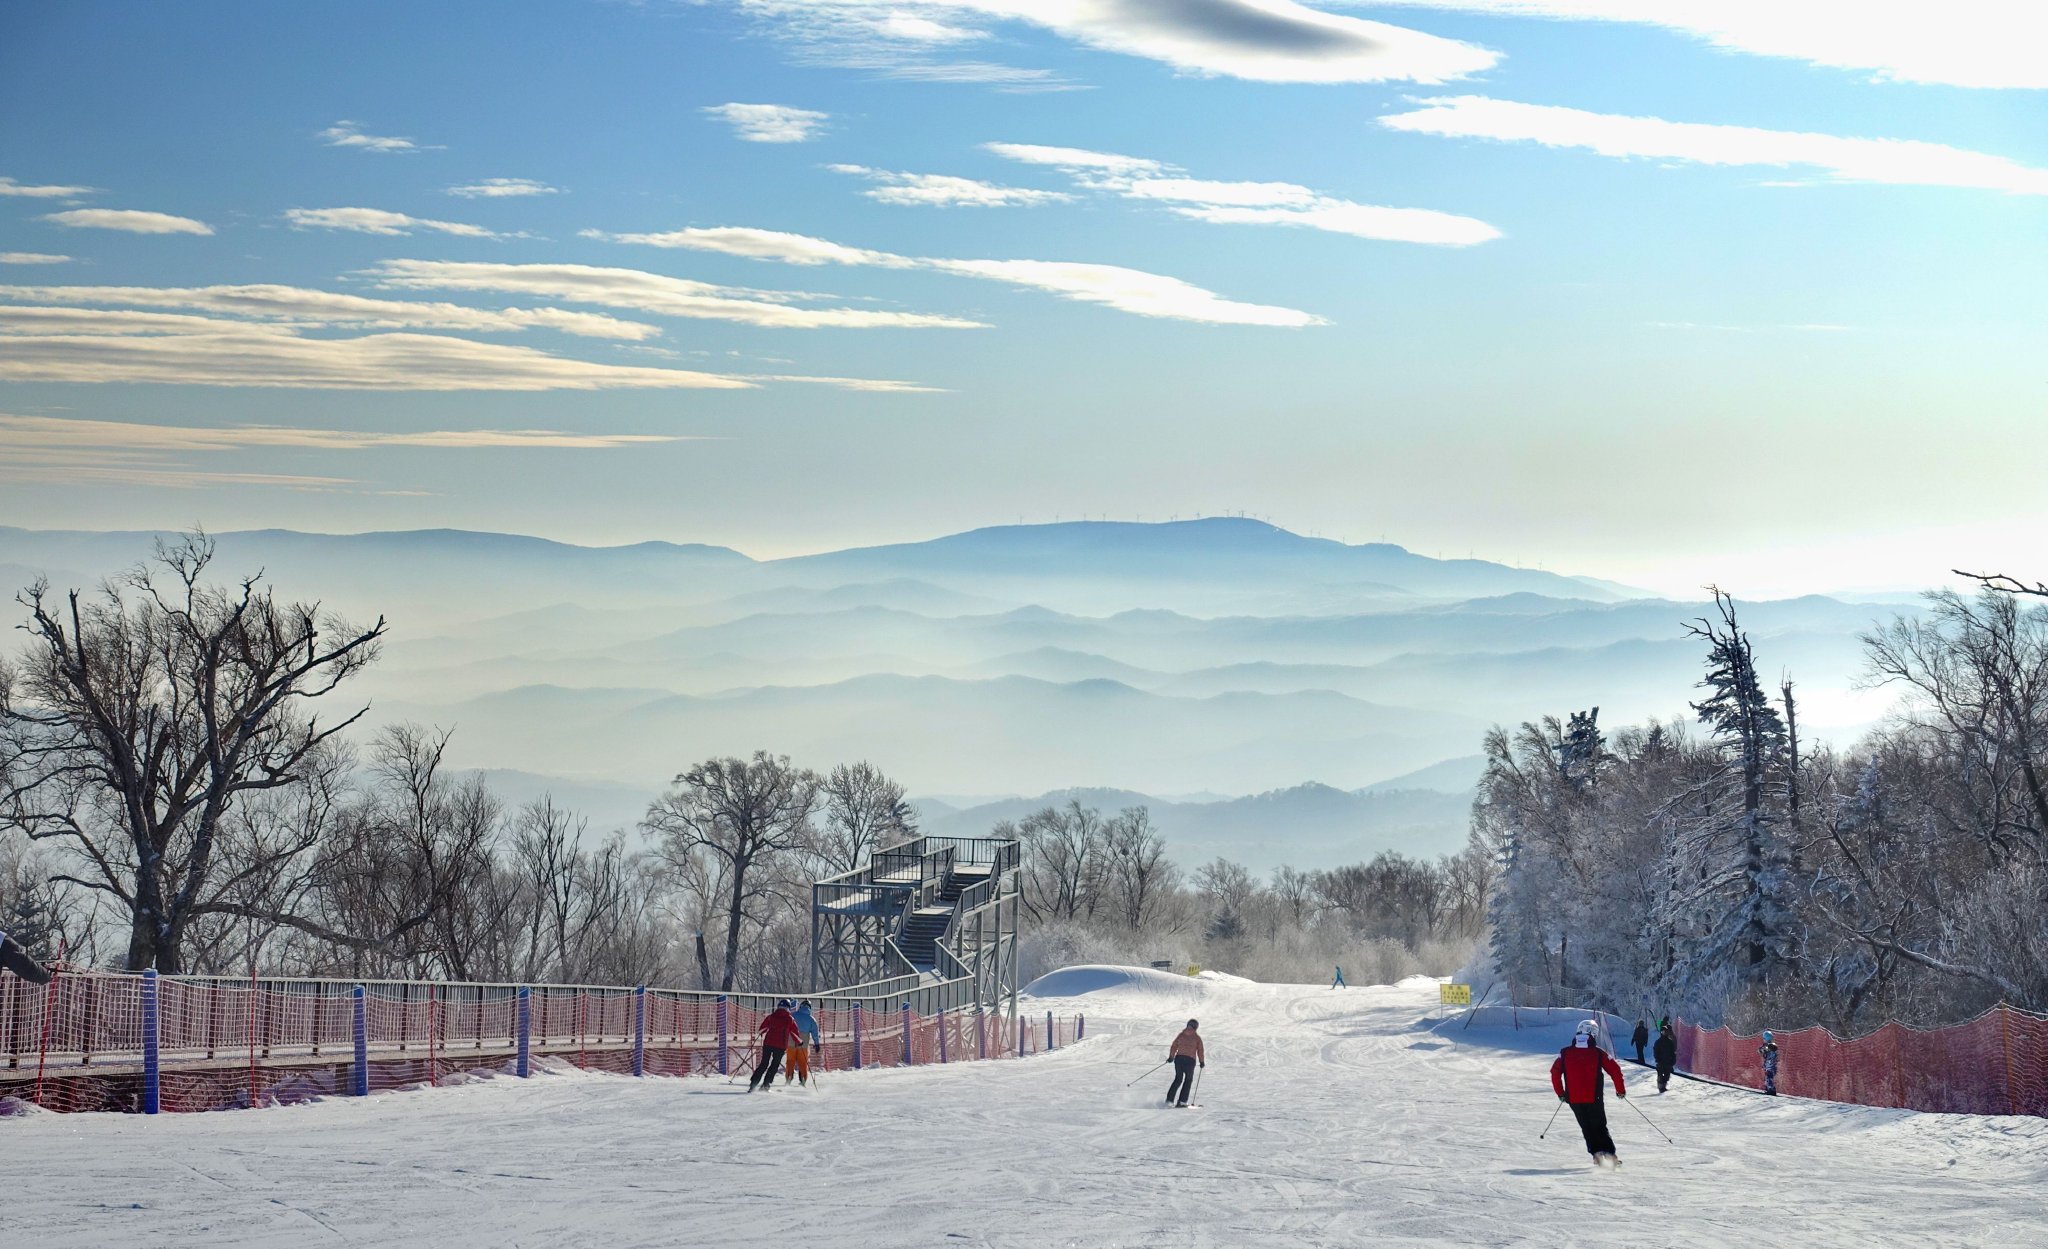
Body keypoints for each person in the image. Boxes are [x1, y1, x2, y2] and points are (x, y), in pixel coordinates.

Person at [1550, 1019, 1626, 1166]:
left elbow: (1555, 1073)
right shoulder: (1598, 1053)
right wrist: (1620, 1090)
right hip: (1594, 1097)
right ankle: (1610, 1154)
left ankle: (1596, 1154)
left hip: (1573, 1098)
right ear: (1593, 1034)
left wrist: (1561, 1093)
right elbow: (1615, 1070)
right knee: (1599, 1125)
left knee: (1586, 1126)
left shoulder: (1565, 1053)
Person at [749, 999, 802, 1092]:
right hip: (780, 1046)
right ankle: (766, 1084)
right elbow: (794, 1033)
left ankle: (753, 1083)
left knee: (764, 1063)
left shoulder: (771, 1016)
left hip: (768, 1043)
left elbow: (762, 1029)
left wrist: (762, 1032)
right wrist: (799, 1041)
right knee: (774, 1065)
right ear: (788, 1008)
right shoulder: (790, 1019)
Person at [1165, 1018, 1205, 1108]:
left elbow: (1174, 1046)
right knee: (1188, 1080)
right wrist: (1201, 1061)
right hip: (1190, 1061)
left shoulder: (1181, 1035)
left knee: (1178, 1079)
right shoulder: (1197, 1038)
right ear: (1196, 1027)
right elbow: (1200, 1050)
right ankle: (1182, 1101)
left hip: (1179, 1059)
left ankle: (1169, 1101)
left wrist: (1171, 1057)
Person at [785, 999, 822, 1086]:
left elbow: (786, 1028)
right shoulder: (811, 1019)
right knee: (803, 1062)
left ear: (800, 1006)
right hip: (804, 1044)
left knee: (790, 1061)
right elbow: (815, 1033)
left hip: (791, 1042)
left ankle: (789, 1077)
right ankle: (803, 1079)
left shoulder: (792, 1015)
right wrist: (817, 1044)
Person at [1653, 1021, 1678, 1093]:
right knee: (1660, 1075)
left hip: (1668, 1061)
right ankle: (1661, 1088)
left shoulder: (1669, 1041)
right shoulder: (1658, 1042)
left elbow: (1672, 1051)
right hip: (1661, 1061)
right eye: (1663, 1032)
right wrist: (1657, 1059)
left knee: (1667, 1075)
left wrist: (1673, 1060)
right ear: (1661, 1032)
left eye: (1666, 1032)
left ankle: (1663, 1086)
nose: (1664, 1033)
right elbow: (1655, 1051)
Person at [1759, 1030, 1780, 1096]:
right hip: (1769, 1065)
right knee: (1767, 1078)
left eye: (1764, 1038)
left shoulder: (1771, 1046)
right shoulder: (1766, 1046)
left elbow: (1773, 1048)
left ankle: (1771, 1090)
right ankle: (1769, 1089)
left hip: (1770, 1066)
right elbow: (1760, 1050)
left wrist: (1765, 1048)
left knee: (1769, 1077)